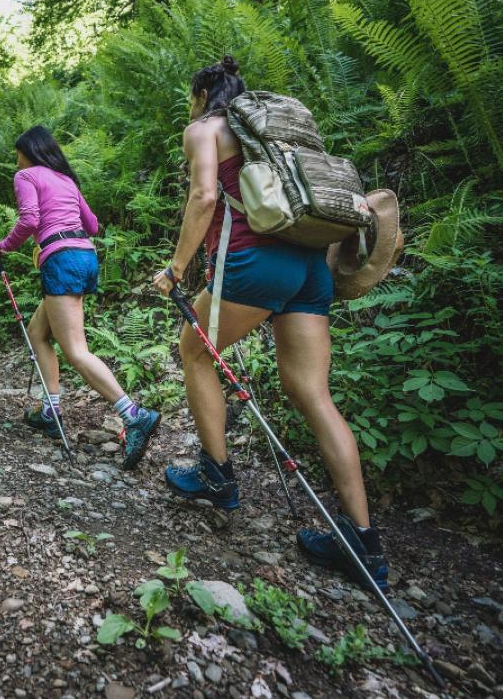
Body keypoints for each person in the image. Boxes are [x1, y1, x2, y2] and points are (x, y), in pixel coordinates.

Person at [150, 56, 389, 592]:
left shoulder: (205, 128)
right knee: (313, 393)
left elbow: (205, 196)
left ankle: (217, 475)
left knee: (193, 351)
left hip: (255, 262)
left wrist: (177, 268)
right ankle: (363, 541)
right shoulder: (274, 137)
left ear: (202, 93)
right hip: (310, 266)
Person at [0, 125, 160, 470]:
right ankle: (50, 410)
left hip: (61, 259)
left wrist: (2, 247)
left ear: (28, 151)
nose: (16, 159)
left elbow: (30, 219)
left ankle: (133, 415)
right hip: (85, 256)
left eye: (18, 152)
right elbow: (93, 225)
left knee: (76, 350)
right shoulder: (66, 179)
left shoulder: (26, 176)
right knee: (39, 333)